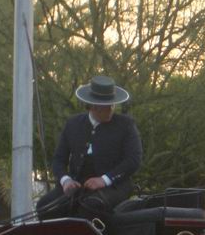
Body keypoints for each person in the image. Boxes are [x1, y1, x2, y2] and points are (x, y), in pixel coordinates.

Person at [36, 75, 143, 220]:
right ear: (93, 106)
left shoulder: (126, 125)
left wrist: (104, 179)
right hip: (78, 185)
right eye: (107, 106)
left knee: (92, 206)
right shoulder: (73, 124)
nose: (111, 109)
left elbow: (133, 160)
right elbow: (58, 160)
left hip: (114, 186)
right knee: (45, 206)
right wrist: (66, 180)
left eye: (112, 105)